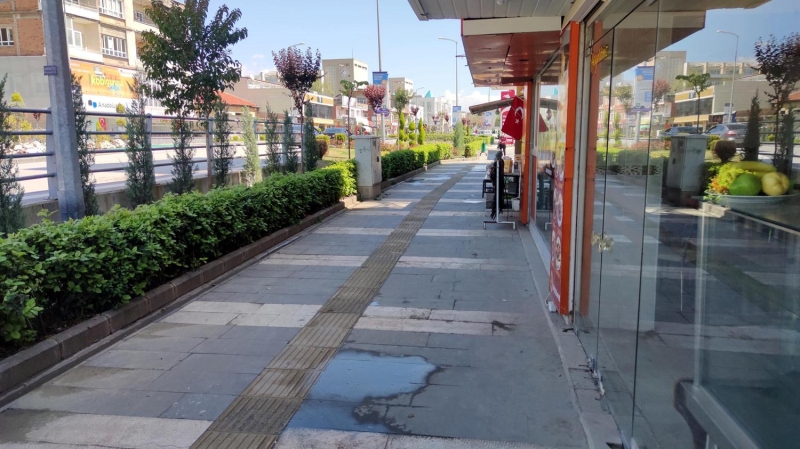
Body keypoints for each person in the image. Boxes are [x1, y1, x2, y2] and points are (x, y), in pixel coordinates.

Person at [489, 150, 505, 220]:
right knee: (499, 196)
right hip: (500, 181)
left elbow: (493, 174)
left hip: (498, 181)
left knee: (497, 196)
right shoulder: (502, 161)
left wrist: (491, 171)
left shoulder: (497, 163)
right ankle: (498, 208)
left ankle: (495, 210)